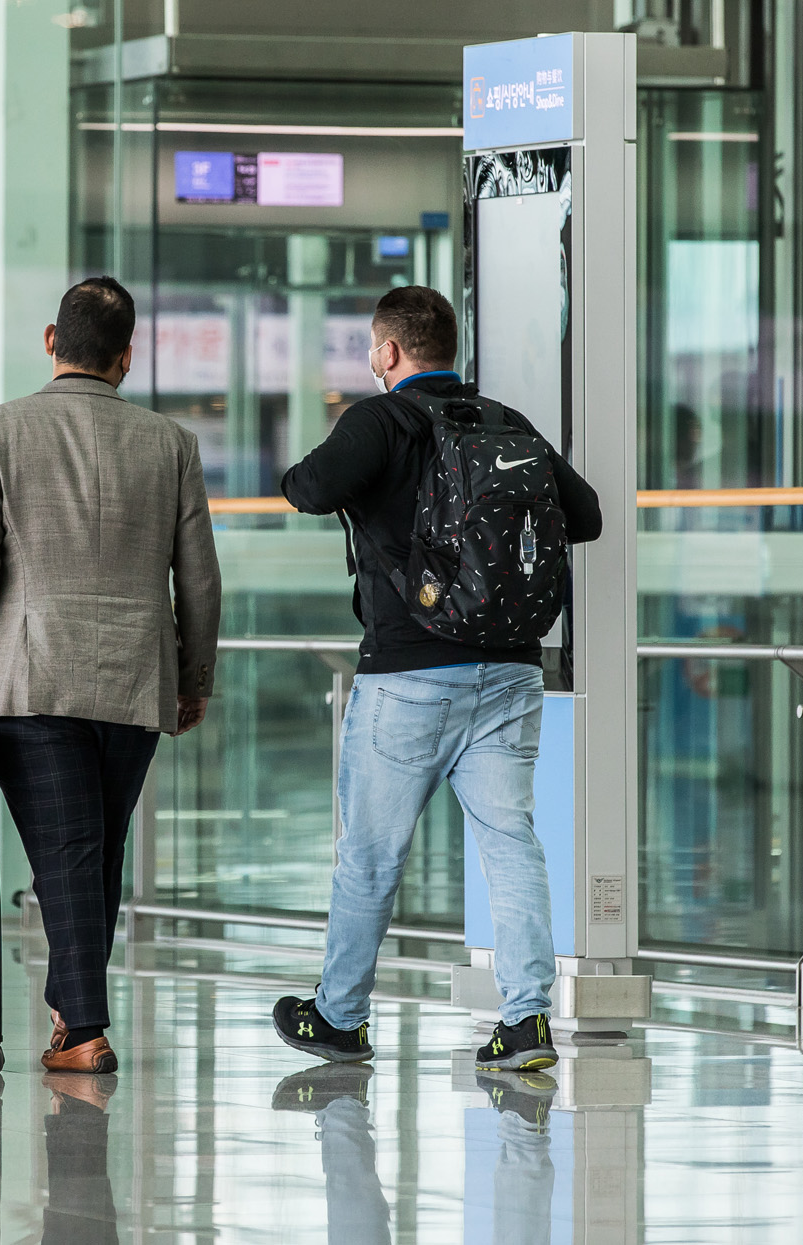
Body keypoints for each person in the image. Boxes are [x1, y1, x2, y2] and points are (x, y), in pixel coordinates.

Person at [270, 285, 601, 1072]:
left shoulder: (380, 419)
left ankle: (341, 1016)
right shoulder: (501, 422)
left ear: (388, 353)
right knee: (511, 843)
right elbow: (582, 513)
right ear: (448, 348)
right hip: (513, 671)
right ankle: (524, 1022)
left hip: (410, 675)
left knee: (372, 856)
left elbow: (307, 487)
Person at [0, 277, 221, 1075]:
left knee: (72, 849)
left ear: (51, 340)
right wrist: (191, 678)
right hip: (133, 683)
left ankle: (87, 1027)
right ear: (127, 357)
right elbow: (199, 578)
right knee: (92, 849)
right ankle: (71, 1018)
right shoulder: (170, 444)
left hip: (33, 678)